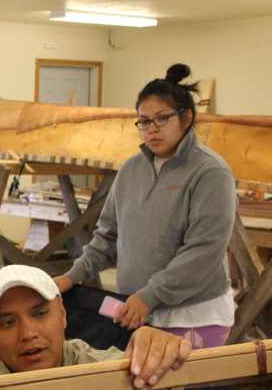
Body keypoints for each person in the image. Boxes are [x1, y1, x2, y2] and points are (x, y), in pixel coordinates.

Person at [54, 64, 235, 350]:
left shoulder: (210, 172)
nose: (151, 130)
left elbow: (203, 251)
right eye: (144, 121)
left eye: (162, 119)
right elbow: (108, 236)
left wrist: (150, 295)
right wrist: (72, 276)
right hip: (136, 308)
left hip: (193, 314)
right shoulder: (131, 169)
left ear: (186, 118)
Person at [0, 265, 192, 388]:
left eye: (41, 314)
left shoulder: (96, 366)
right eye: (8, 322)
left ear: (63, 314)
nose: (29, 333)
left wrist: (159, 354)